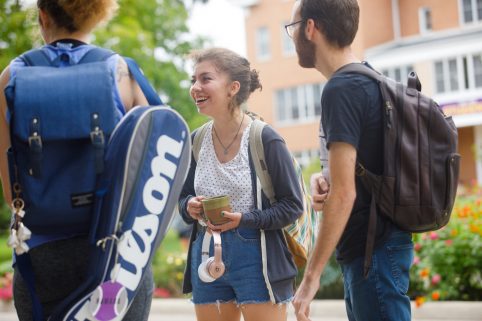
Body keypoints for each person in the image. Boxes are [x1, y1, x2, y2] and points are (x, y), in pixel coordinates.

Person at [0, 1, 154, 320]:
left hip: (41, 255)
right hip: (118, 256)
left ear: (43, 16)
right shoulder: (124, 72)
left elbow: (9, 185)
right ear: (95, 16)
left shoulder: (10, 77)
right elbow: (153, 164)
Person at [288, 1, 414, 321]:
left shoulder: (342, 88)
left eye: (292, 29)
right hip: (378, 249)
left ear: (311, 28)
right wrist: (327, 177)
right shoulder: (368, 77)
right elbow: (362, 169)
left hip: (372, 253)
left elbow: (345, 195)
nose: (292, 39)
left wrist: (310, 277)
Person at [178, 47, 304, 321]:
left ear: (233, 88)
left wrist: (244, 219)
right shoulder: (196, 140)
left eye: (205, 79)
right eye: (193, 80)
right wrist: (189, 205)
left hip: (258, 259)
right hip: (206, 253)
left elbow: (292, 206)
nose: (195, 88)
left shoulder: (265, 139)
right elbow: (182, 197)